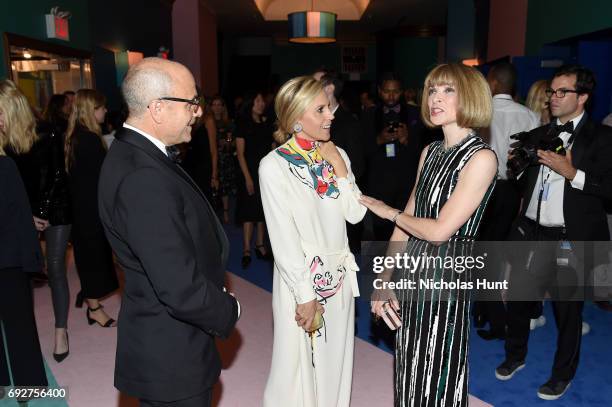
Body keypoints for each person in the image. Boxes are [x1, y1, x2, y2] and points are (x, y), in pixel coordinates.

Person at [98, 57, 240, 407]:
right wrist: (228, 308)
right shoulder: (142, 177)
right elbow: (179, 288)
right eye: (192, 102)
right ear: (158, 109)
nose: (197, 112)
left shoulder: (137, 154)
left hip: (170, 342)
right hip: (173, 354)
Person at [360, 63, 497, 406]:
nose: (436, 97)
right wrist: (385, 276)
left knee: (438, 378)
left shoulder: (481, 159)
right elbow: (407, 221)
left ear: (470, 96)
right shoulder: (430, 152)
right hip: (412, 274)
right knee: (408, 371)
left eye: (448, 90)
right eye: (432, 89)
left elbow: (438, 232)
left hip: (445, 284)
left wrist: (386, 209)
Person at [497, 64, 612, 400]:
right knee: (518, 301)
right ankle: (514, 356)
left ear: (584, 97)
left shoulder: (603, 138)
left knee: (567, 312)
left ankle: (563, 375)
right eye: (552, 92)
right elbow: (521, 183)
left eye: (563, 92)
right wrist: (516, 165)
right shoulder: (538, 132)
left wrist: (571, 172)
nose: (553, 98)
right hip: (530, 232)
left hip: (568, 237)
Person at [260, 76, 366, 407]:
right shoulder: (273, 166)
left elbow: (355, 215)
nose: (330, 115)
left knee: (336, 358)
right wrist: (305, 295)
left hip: (341, 278)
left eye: (329, 107)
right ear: (294, 117)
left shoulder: (339, 154)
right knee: (297, 366)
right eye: (320, 109)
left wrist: (339, 167)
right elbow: (282, 239)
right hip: (300, 281)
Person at [474, 62, 540, 340]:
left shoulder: (482, 113)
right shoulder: (530, 116)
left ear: (493, 82)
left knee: (481, 252)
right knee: (497, 251)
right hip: (513, 190)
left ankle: (493, 315)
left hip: (483, 188)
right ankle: (487, 310)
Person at [0, 79, 48, 392]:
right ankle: (31, 390)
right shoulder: (5, 166)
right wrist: (35, 259)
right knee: (20, 327)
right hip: (8, 260)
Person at [65, 89, 118, 327]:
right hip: (91, 209)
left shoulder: (75, 136)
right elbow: (101, 178)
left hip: (82, 208)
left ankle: (90, 300)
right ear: (91, 110)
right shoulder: (89, 139)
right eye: (101, 107)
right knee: (94, 258)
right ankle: (94, 308)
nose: (105, 111)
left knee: (90, 257)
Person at [363, 72, 424, 241]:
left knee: (407, 231)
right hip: (379, 183)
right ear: (379, 91)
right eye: (386, 91)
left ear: (402, 91)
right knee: (381, 234)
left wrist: (406, 140)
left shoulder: (415, 113)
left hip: (407, 183)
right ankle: (384, 265)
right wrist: (379, 139)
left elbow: (424, 152)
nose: (391, 96)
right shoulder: (368, 114)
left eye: (396, 91)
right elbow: (361, 152)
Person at [235, 92, 274, 268]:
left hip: (266, 173)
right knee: (249, 212)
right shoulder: (243, 124)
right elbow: (240, 155)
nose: (261, 103)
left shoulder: (267, 124)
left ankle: (260, 246)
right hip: (249, 172)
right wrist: (248, 178)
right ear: (251, 104)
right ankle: (246, 250)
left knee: (262, 211)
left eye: (262, 100)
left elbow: (273, 148)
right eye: (257, 101)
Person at [209, 95, 238, 223]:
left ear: (223, 107)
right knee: (213, 187)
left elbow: (234, 142)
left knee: (225, 187)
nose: (217, 107)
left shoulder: (228, 123)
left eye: (219, 105)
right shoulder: (208, 122)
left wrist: (228, 143)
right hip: (212, 158)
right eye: (214, 104)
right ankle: (214, 213)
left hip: (225, 158)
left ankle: (225, 212)